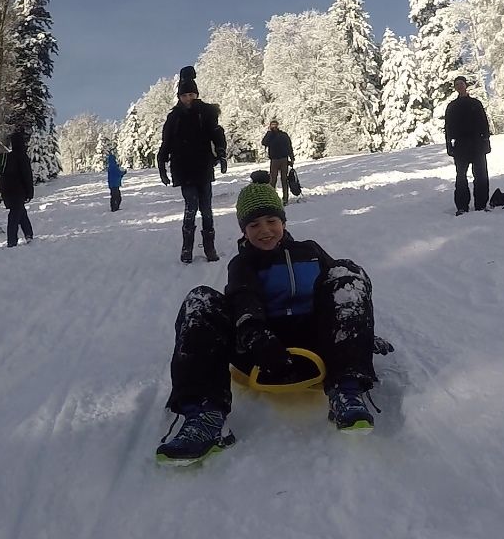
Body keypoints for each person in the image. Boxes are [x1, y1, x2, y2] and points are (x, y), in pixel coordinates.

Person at [155, 174, 392, 464]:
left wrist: (360, 334)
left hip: (316, 342)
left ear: (283, 221)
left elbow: (338, 296)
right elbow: (244, 298)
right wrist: (255, 333)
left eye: (271, 221)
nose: (264, 231)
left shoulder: (310, 251)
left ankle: (348, 391)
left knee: (346, 273)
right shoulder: (243, 264)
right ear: (244, 230)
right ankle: (204, 416)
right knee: (201, 299)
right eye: (253, 225)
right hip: (261, 351)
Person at [157, 66, 228, 263]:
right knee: (191, 206)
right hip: (183, 168)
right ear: (179, 97)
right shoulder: (174, 118)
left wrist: (221, 154)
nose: (188, 98)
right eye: (184, 95)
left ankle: (209, 247)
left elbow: (217, 134)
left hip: (203, 166)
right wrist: (162, 166)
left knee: (206, 208)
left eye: (191, 94)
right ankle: (186, 247)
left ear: (196, 94)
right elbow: (166, 143)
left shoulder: (205, 113)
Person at [444, 76, 491, 215]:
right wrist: (449, 145)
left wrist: (486, 141)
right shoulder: (452, 106)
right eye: (456, 84)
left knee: (481, 176)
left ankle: (481, 205)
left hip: (477, 144)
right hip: (460, 146)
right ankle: (462, 207)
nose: (459, 86)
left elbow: (484, 123)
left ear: (465, 86)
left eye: (461, 83)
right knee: (461, 177)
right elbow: (448, 127)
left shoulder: (476, 103)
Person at [0, 126, 34, 248]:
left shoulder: (9, 157)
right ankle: (11, 241)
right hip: (18, 191)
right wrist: (30, 193)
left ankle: (29, 234)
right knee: (14, 214)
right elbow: (27, 175)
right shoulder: (22, 157)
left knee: (21, 211)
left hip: (7, 191)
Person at [261, 119, 294, 204]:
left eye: (275, 125)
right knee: (273, 180)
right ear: (270, 126)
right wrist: (269, 133)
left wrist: (292, 157)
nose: (274, 126)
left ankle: (285, 198)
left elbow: (289, 146)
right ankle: (272, 198)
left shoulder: (283, 135)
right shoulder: (269, 135)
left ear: (278, 125)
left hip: (283, 159)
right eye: (272, 125)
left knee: (284, 179)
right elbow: (264, 143)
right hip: (274, 160)